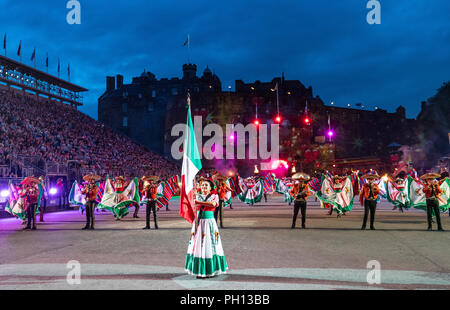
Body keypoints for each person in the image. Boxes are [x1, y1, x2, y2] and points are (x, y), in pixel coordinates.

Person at [185, 178, 228, 278]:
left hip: (209, 223)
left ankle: (211, 270)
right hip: (198, 222)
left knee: (209, 244)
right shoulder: (196, 195)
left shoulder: (214, 196)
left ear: (210, 188)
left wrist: (197, 202)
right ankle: (199, 270)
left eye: (206, 185)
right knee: (198, 244)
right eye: (202, 185)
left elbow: (213, 204)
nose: (204, 187)